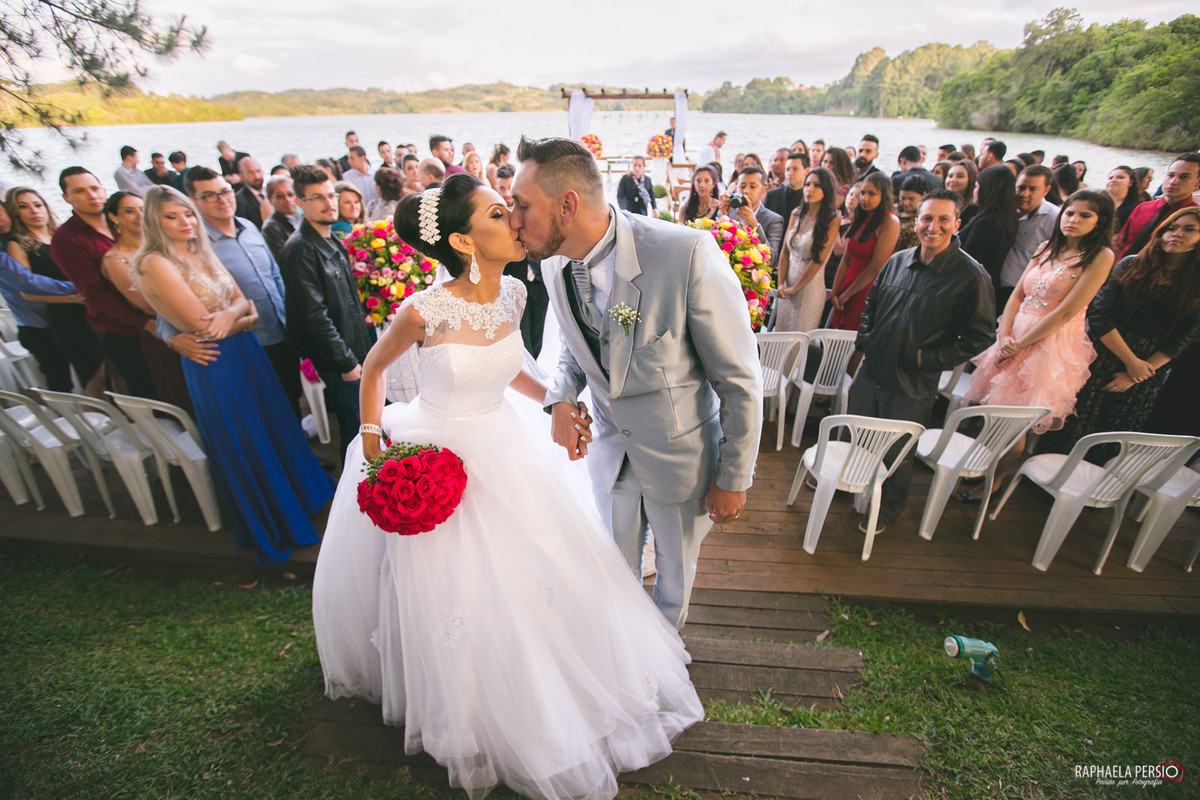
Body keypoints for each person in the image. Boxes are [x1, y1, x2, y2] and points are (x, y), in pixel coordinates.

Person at [312, 172, 703, 800]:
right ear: (466, 242)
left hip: (506, 440)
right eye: (500, 214)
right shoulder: (424, 309)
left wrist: (553, 401)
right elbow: (376, 369)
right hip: (439, 449)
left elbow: (514, 368)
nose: (515, 222)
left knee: (548, 569)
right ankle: (461, 702)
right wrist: (375, 442)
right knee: (453, 587)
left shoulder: (516, 294)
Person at [510, 135, 763, 628]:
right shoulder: (555, 262)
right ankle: (624, 658)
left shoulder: (685, 253)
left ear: (567, 204)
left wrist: (735, 477)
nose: (513, 219)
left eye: (522, 205)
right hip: (609, 452)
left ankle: (667, 657)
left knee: (674, 575)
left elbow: (739, 379)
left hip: (681, 460)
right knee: (614, 571)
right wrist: (560, 399)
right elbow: (573, 353)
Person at [132, 186, 332, 564]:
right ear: (154, 223)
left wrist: (231, 317)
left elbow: (246, 303)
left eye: (187, 214)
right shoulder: (155, 262)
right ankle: (274, 521)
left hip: (245, 351)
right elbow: (201, 324)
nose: (185, 222)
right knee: (246, 437)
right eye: (171, 217)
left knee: (272, 426)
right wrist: (235, 316)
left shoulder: (198, 250)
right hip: (215, 362)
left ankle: (298, 500)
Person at [846, 190, 995, 531]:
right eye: (927, 218)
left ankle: (887, 510)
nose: (934, 226)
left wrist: (927, 358)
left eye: (944, 219)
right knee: (860, 433)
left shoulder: (971, 276)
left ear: (956, 224)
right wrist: (866, 340)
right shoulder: (898, 260)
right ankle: (853, 484)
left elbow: (981, 336)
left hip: (913, 380)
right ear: (917, 221)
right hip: (872, 370)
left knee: (898, 451)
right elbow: (871, 305)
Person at [962, 189, 1116, 499]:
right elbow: (1017, 294)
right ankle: (985, 466)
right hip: (1015, 332)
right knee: (996, 408)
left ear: (1100, 222)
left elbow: (1067, 311)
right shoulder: (1046, 247)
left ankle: (996, 479)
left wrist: (1019, 345)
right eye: (1070, 213)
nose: (1073, 220)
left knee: (1018, 419)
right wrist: (1005, 335)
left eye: (1085, 215)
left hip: (1048, 342)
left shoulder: (1101, 256)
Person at [1043, 207, 1200, 455]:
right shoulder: (1131, 264)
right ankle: (1046, 482)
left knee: (1116, 430)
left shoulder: (1195, 284)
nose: (1177, 234)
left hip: (1149, 368)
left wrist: (1137, 373)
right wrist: (1131, 363)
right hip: (1104, 351)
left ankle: (1091, 489)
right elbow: (1100, 314)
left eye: (1189, 230)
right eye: (1172, 227)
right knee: (1078, 418)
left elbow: (1187, 336)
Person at [50, 168, 184, 404]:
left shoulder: (124, 220)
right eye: (79, 191)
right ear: (66, 198)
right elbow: (93, 293)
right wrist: (145, 323)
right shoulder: (66, 239)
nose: (91, 195)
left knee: (177, 385)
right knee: (149, 392)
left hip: (167, 315)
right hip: (124, 328)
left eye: (94, 188)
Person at [183, 167, 301, 418]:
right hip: (244, 340)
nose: (222, 199)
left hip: (280, 330)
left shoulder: (248, 226)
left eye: (225, 191)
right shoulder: (194, 244)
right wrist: (172, 337)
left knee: (290, 395)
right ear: (194, 202)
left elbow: (274, 275)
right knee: (262, 405)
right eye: (210, 196)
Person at [280, 166, 372, 459]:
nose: (329, 202)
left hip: (356, 347)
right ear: (300, 203)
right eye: (317, 197)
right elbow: (314, 316)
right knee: (355, 427)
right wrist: (346, 363)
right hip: (338, 359)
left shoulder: (331, 239)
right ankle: (356, 488)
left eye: (331, 195)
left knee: (366, 421)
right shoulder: (300, 250)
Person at [5, 186, 106, 395]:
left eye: (38, 204)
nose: (34, 211)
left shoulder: (61, 236)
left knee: (111, 367)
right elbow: (27, 292)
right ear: (16, 213)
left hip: (93, 309)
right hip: (66, 318)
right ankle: (97, 420)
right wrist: (76, 297)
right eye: (24, 207)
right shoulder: (17, 245)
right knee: (93, 374)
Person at [828, 172, 900, 330]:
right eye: (863, 193)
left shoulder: (890, 222)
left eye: (871, 194)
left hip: (866, 289)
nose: (864, 198)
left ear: (884, 195)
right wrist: (835, 292)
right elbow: (846, 260)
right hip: (847, 284)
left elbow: (875, 267)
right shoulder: (861, 219)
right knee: (837, 338)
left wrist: (847, 295)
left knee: (854, 337)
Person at [774, 167, 840, 334]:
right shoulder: (797, 213)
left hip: (808, 286)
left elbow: (818, 260)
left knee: (798, 337)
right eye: (807, 184)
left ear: (826, 189)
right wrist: (781, 283)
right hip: (787, 282)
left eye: (817, 185)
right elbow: (785, 252)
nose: (810, 189)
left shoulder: (832, 219)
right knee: (780, 332)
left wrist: (795, 288)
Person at [1114, 154, 1200, 260]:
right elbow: (1119, 243)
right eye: (1171, 175)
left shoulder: (1194, 218)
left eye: (1184, 177)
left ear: (1197, 183)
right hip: (1121, 270)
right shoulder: (1142, 208)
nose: (1173, 182)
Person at [997, 165, 1059, 310]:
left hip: (1025, 294)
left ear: (1046, 190)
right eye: (1021, 187)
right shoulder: (1008, 210)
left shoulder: (1054, 218)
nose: (1024, 194)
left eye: (1033, 189)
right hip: (999, 286)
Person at [959, 165, 1018, 297]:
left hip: (972, 289)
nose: (975, 190)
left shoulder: (987, 222)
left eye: (977, 186)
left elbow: (966, 258)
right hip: (988, 285)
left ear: (986, 189)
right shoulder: (1007, 217)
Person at [720, 165, 783, 267]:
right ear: (736, 188)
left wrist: (755, 226)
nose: (746, 191)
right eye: (742, 186)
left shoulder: (774, 219)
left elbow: (772, 260)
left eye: (752, 186)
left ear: (763, 190)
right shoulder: (728, 212)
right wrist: (724, 218)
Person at [261, 174, 300, 260]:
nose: (287, 199)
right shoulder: (271, 228)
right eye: (280, 196)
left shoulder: (303, 216)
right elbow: (284, 258)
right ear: (270, 200)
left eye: (290, 194)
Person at [764, 152, 809, 224]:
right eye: (787, 169)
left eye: (795, 169)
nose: (790, 173)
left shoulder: (811, 197)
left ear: (806, 171)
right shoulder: (772, 196)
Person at [233, 157, 269, 229]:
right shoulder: (238, 201)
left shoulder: (272, 192)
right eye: (250, 172)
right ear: (241, 176)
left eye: (258, 171)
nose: (256, 176)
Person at [1105, 165, 1141, 233]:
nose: (1113, 180)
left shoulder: (1136, 209)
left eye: (1120, 177)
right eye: (1110, 178)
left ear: (1131, 182)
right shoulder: (1096, 203)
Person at [895, 175, 927, 251]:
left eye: (911, 199)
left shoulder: (924, 219)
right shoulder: (893, 210)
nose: (906, 203)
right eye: (903, 198)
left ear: (923, 195)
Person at [945, 159, 979, 224]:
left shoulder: (974, 209)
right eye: (950, 176)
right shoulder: (941, 203)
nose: (953, 180)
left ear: (971, 179)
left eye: (960, 176)